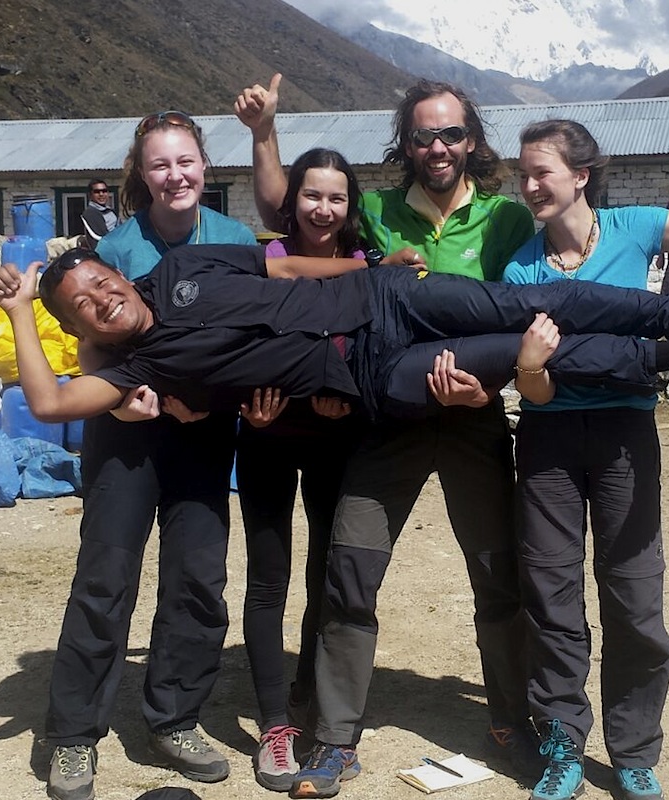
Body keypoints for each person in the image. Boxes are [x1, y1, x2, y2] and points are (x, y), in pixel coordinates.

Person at [235, 73, 539, 796]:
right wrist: (264, 131)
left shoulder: (506, 221)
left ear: (472, 141)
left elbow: (522, 317)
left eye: (451, 134)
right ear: (405, 141)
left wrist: (489, 385)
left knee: (499, 577)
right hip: (386, 429)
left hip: (474, 422)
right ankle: (336, 739)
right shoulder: (372, 212)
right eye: (423, 134)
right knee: (350, 573)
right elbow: (286, 210)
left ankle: (509, 717)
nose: (437, 147)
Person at [501, 93, 669, 800]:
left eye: (541, 172)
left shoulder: (636, 227)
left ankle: (633, 749)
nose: (529, 186)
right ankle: (562, 743)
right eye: (522, 175)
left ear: (581, 174)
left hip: (625, 435)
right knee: (552, 595)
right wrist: (530, 368)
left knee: (634, 597)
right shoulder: (523, 269)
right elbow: (534, 392)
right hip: (550, 439)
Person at [40, 110, 258, 800]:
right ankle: (73, 737)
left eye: (186, 161)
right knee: (106, 580)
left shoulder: (235, 238)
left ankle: (175, 718)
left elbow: (249, 334)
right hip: (126, 434)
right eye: (160, 165)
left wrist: (229, 397)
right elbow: (92, 345)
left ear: (205, 165)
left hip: (203, 432)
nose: (175, 176)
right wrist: (123, 399)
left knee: (198, 580)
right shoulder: (118, 246)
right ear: (142, 175)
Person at [0, 244, 669, 424]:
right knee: (531, 350)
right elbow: (50, 404)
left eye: (99, 282)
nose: (100, 298)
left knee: (539, 298)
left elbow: (282, 270)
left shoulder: (183, 264)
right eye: (81, 305)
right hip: (371, 373)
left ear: (116, 273)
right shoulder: (137, 368)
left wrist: (363, 259)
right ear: (77, 326)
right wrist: (24, 309)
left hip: (385, 294)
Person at [239, 148, 370, 792]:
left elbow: (374, 353)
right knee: (269, 578)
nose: (324, 209)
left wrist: (342, 400)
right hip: (264, 436)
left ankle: (307, 691)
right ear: (290, 201)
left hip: (332, 439)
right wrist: (249, 407)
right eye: (312, 196)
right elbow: (237, 342)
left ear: (351, 205)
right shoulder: (265, 260)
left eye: (336, 198)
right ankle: (273, 723)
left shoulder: (366, 269)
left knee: (327, 572)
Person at [80, 178, 119, 249]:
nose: (101, 194)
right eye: (97, 192)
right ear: (90, 195)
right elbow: (104, 237)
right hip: (104, 253)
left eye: (104, 191)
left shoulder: (111, 211)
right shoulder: (90, 213)